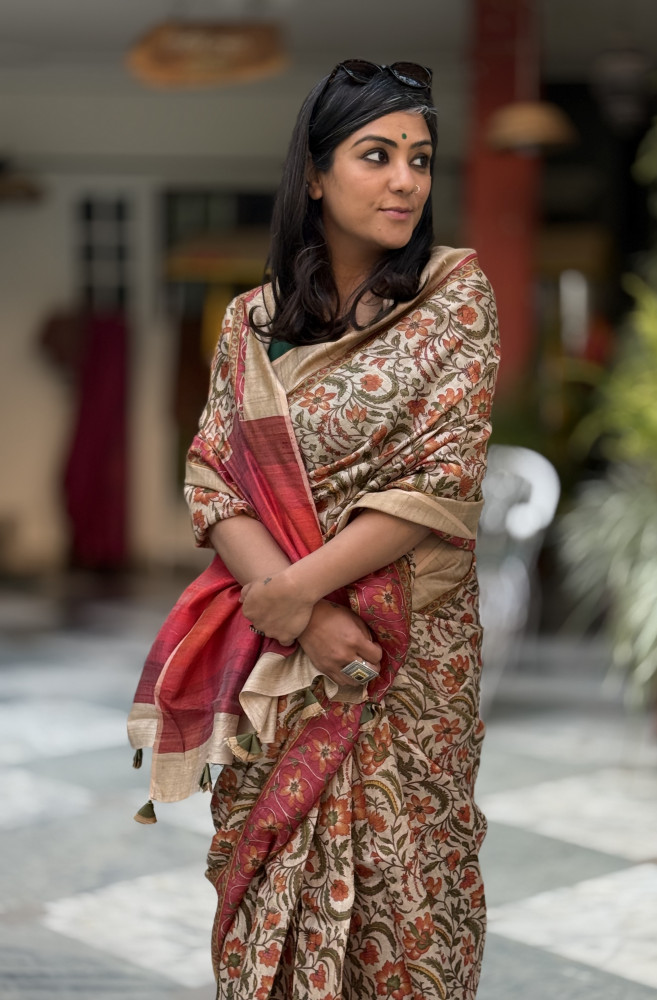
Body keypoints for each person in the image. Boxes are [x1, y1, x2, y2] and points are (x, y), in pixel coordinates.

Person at [128, 59, 500, 1000]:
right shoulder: (248, 324)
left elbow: (438, 480)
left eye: (421, 158)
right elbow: (212, 472)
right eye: (377, 155)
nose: (406, 180)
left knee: (409, 895)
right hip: (281, 664)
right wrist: (298, 617)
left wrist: (296, 593)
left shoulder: (454, 298)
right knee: (269, 886)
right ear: (316, 176)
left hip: (406, 658)